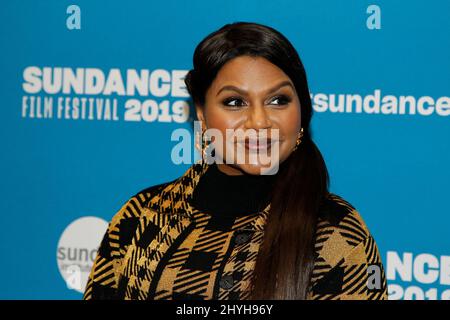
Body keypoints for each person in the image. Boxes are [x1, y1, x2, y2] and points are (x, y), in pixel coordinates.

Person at [83, 22, 387, 300]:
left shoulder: (336, 231)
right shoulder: (141, 216)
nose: (258, 121)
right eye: (234, 102)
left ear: (302, 112)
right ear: (201, 112)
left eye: (278, 100)